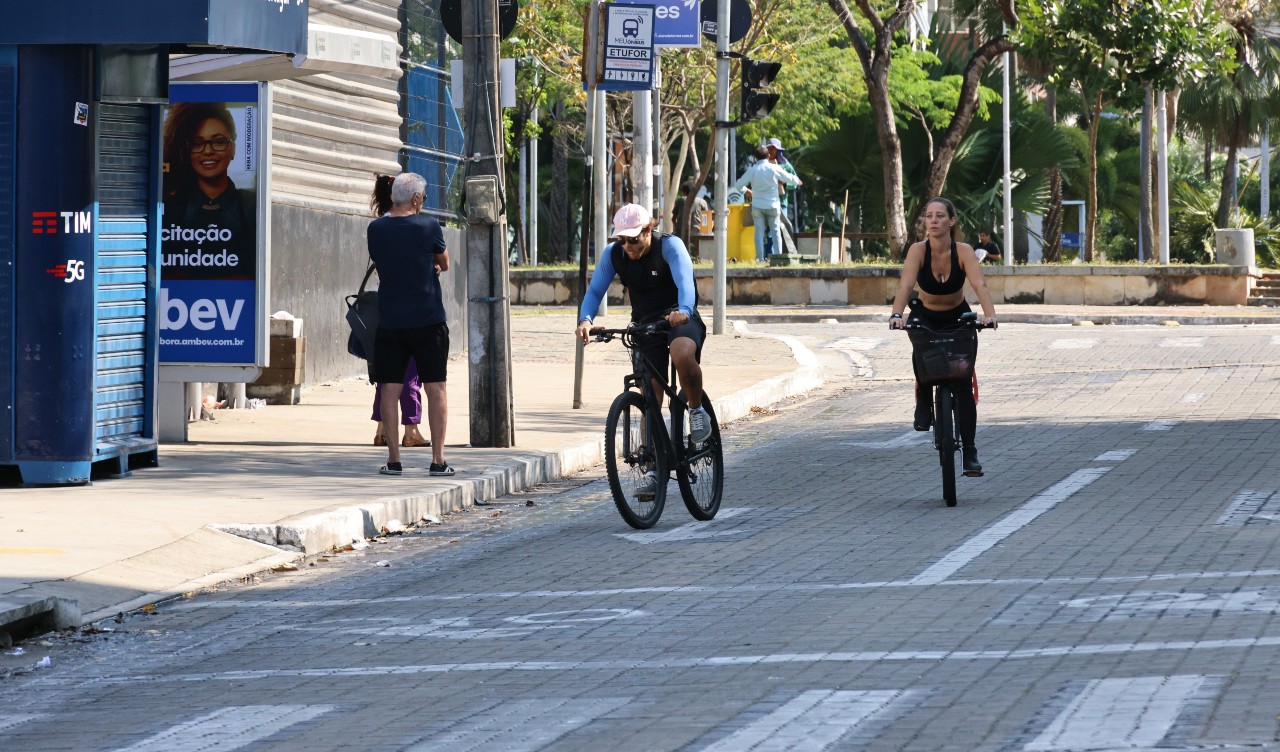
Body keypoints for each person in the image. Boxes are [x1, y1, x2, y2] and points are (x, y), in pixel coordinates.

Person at [575, 204, 709, 499]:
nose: (628, 246)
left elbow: (686, 283)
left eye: (633, 239)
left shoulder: (670, 246)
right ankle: (652, 468)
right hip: (646, 324)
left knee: (682, 352)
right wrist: (586, 320)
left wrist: (684, 311)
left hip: (679, 317)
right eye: (621, 240)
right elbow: (595, 291)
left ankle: (697, 410)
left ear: (649, 230)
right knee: (649, 395)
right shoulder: (614, 256)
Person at [888, 197, 998, 475]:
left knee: (962, 384)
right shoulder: (917, 250)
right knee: (920, 350)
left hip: (957, 317)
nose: (933, 221)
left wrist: (989, 314)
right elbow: (905, 284)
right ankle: (923, 398)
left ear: (952, 220)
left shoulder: (963, 251)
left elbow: (979, 283)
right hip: (925, 315)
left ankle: (970, 453)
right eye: (929, 216)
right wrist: (896, 314)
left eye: (940, 216)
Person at [367, 172, 453, 477]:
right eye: (424, 198)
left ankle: (394, 460)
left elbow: (384, 262)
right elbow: (444, 262)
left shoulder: (375, 229)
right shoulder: (429, 225)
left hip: (390, 322)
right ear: (416, 199)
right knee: (436, 388)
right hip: (428, 320)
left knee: (389, 389)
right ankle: (438, 461)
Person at [161, 101, 256, 280]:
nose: (208, 151)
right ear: (188, 151)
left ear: (233, 148)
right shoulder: (170, 209)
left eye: (218, 141)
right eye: (198, 143)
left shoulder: (251, 207)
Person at [367, 174, 428, 449]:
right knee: (411, 372)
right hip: (411, 310)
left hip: (385, 307)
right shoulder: (414, 228)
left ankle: (382, 429)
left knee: (387, 372)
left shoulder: (379, 228)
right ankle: (411, 429)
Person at [733, 146, 802, 262]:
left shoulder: (752, 170)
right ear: (768, 156)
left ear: (755, 158)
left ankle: (760, 259)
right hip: (773, 205)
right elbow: (788, 177)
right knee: (776, 232)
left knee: (759, 233)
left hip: (757, 205)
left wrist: (747, 191)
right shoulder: (773, 168)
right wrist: (797, 181)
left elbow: (738, 185)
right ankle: (778, 258)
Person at [767, 137, 800, 254]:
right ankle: (768, 256)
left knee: (780, 229)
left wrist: (785, 184)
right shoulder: (764, 164)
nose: (770, 151)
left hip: (781, 203)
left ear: (778, 151)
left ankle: (779, 256)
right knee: (769, 232)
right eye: (769, 148)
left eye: (773, 149)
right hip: (767, 202)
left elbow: (796, 183)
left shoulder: (786, 166)